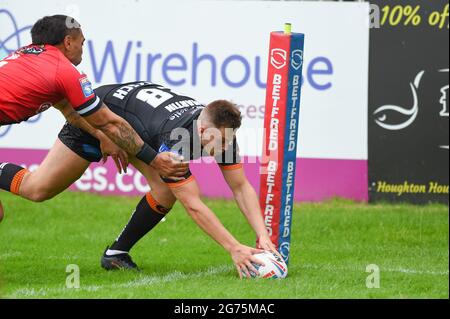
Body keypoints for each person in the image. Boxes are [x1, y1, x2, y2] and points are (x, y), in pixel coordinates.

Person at [4, 80, 279, 278]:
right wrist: (233, 248)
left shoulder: (222, 134)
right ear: (202, 128)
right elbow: (194, 204)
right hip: (98, 117)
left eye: (227, 142)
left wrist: (262, 235)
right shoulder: (176, 138)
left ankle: (115, 255)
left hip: (136, 124)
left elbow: (241, 187)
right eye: (216, 142)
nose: (221, 149)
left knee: (164, 190)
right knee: (38, 189)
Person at [0, 15, 188, 215]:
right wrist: (155, 160)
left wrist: (101, 136)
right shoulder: (64, 71)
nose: (83, 48)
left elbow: (69, 110)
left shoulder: (27, 57)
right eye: (82, 42)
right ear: (68, 42)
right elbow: (109, 122)